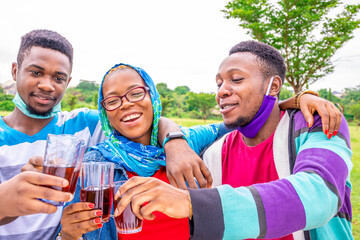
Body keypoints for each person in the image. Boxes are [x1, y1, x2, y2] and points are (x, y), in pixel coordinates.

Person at [114, 40, 353, 240]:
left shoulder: (317, 122)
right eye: (219, 84)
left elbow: (320, 196)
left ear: (273, 86)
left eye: (236, 80)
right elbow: (157, 125)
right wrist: (175, 142)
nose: (221, 91)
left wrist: (193, 204)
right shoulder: (213, 151)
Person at [0, 29, 216, 239]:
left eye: (58, 78)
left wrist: (174, 143)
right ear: (15, 71)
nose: (46, 85)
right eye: (36, 72)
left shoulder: (85, 124)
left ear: (68, 81)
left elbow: (139, 119)